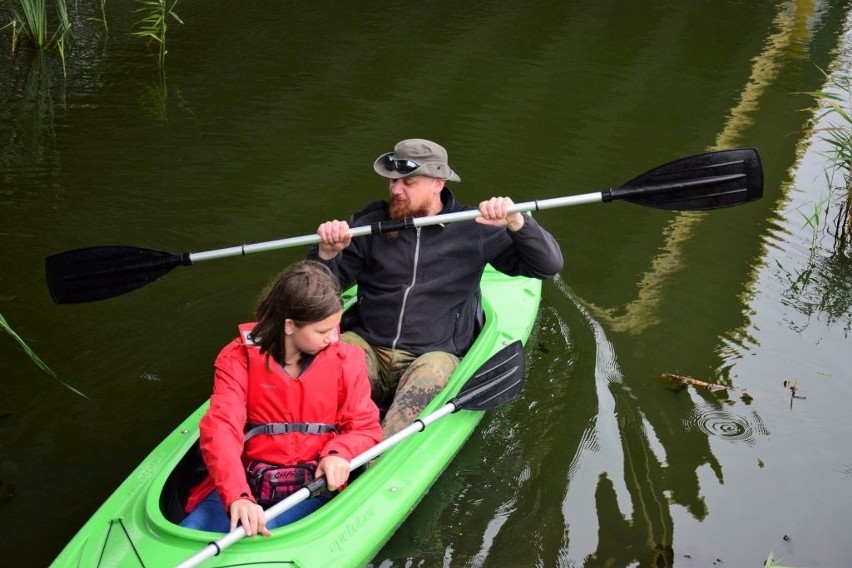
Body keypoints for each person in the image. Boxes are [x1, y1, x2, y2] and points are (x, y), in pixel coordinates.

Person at [308, 138, 563, 438]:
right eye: (392, 181)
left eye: (408, 182)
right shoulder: (370, 224)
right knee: (329, 372)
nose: (394, 190)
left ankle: (377, 457)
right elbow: (312, 295)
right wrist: (326, 253)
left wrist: (518, 223)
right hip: (367, 345)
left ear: (437, 183)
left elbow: (547, 266)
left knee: (417, 395)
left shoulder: (474, 228)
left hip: (432, 356)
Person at [179, 261, 382, 536]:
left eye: (335, 328)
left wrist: (340, 453)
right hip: (246, 481)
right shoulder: (237, 358)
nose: (333, 338)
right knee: (191, 531)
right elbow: (221, 429)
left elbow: (365, 427)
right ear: (289, 326)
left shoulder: (347, 360)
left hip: (311, 488)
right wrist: (238, 495)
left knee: (257, 539)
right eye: (322, 331)